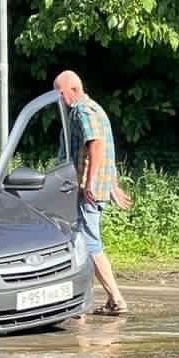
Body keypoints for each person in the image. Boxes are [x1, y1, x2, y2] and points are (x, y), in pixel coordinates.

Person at [53, 70, 130, 316]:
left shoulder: (82, 111)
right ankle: (83, 301)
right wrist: (112, 185)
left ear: (73, 90)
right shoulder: (95, 108)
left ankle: (116, 298)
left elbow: (96, 144)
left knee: (89, 242)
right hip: (94, 188)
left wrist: (90, 183)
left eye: (60, 93)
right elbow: (107, 149)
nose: (58, 100)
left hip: (87, 191)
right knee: (81, 242)